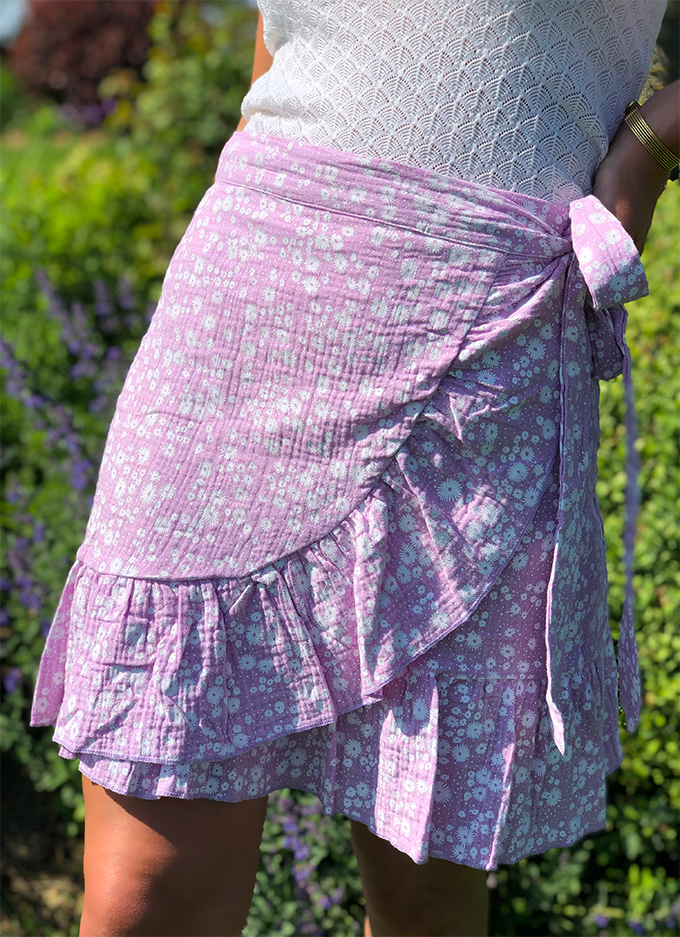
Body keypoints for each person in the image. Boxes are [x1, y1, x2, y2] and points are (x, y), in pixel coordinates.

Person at [30, 3, 679, 936]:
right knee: (145, 896)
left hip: (480, 332)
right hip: (249, 294)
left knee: (424, 903)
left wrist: (651, 149)